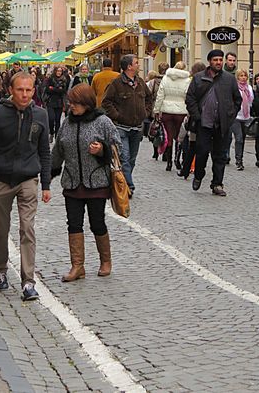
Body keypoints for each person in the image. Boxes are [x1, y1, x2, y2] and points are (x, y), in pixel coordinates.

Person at [0, 71, 51, 300]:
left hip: (28, 179)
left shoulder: (41, 115)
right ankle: (0, 270)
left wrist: (45, 184)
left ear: (34, 91)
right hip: (1, 180)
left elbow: (44, 151)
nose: (25, 94)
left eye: (29, 90)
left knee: (27, 229)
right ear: (11, 90)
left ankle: (28, 281)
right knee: (1, 228)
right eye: (20, 89)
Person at [51, 84, 121, 281]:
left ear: (87, 103)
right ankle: (77, 266)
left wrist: (102, 150)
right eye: (70, 102)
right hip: (72, 182)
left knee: (97, 223)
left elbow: (118, 148)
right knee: (73, 224)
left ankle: (105, 261)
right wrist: (48, 174)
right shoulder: (67, 123)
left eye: (76, 103)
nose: (71, 106)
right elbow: (58, 150)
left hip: (96, 183)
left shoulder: (103, 122)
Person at [185, 49, 242, 196]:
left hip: (222, 124)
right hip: (204, 123)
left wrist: (231, 115)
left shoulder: (229, 79)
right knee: (202, 152)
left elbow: (237, 99)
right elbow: (190, 99)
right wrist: (197, 116)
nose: (218, 62)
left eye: (220, 60)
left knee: (220, 155)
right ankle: (198, 175)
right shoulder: (199, 78)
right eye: (215, 60)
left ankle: (217, 184)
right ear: (209, 61)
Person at [102, 54, 152, 196]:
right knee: (124, 158)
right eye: (136, 63)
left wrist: (146, 112)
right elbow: (106, 102)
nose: (138, 65)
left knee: (132, 159)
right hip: (121, 128)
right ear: (129, 67)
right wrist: (117, 116)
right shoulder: (116, 83)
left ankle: (124, 181)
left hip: (137, 127)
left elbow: (149, 98)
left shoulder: (140, 83)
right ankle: (129, 186)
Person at [153, 61, 191, 171]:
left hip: (167, 111)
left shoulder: (166, 78)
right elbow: (188, 96)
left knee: (168, 136)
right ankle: (177, 159)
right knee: (180, 137)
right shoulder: (187, 80)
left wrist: (156, 110)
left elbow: (160, 95)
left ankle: (168, 162)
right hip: (181, 111)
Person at [177, 61, 206, 178]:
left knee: (192, 146)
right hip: (205, 119)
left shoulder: (192, 82)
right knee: (201, 147)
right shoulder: (209, 82)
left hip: (194, 118)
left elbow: (188, 99)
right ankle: (196, 168)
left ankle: (186, 169)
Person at [226, 69, 254, 171]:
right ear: (237, 77)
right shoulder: (234, 88)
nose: (243, 77)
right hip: (236, 116)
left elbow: (251, 101)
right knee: (239, 138)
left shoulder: (249, 88)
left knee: (242, 140)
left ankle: (240, 158)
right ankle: (238, 161)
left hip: (246, 117)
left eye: (245, 75)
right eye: (241, 76)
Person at [44, 66, 69, 141]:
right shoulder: (50, 79)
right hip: (50, 101)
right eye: (58, 71)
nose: (59, 72)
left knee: (58, 120)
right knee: (51, 119)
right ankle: (51, 132)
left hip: (59, 102)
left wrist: (53, 88)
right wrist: (58, 89)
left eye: (60, 71)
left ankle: (57, 137)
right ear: (55, 71)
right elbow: (48, 90)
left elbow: (64, 90)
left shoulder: (64, 80)